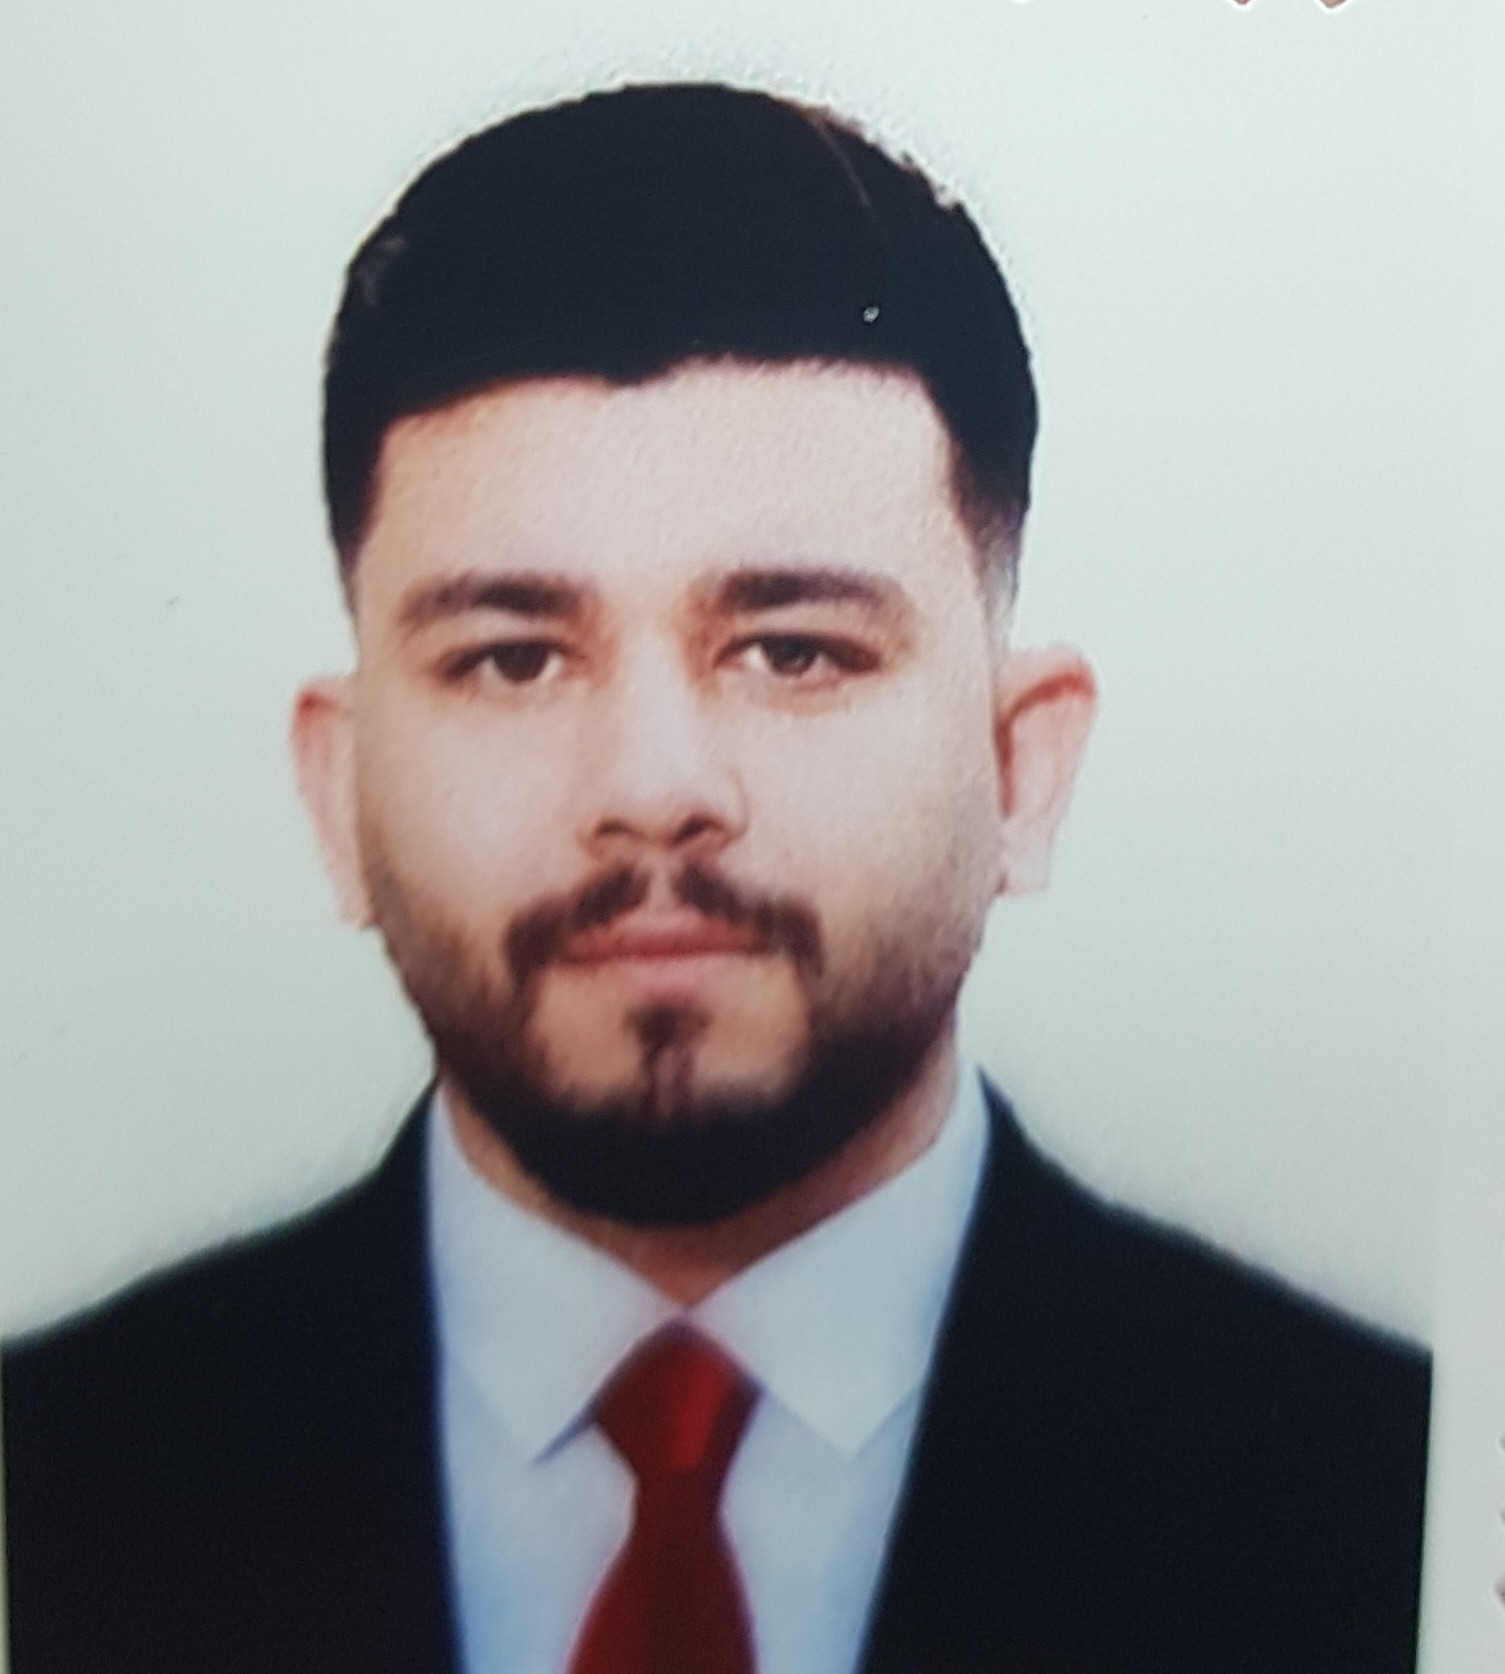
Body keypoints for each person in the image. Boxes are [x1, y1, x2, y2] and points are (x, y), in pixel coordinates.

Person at [2, 82, 1429, 1674]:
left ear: (1018, 767)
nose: (651, 786)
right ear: (339, 791)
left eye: (790, 649)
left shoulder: (1393, 1514)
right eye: (513, 657)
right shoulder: (46, 1485)